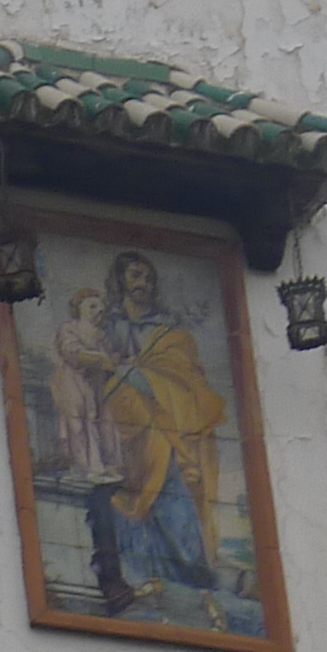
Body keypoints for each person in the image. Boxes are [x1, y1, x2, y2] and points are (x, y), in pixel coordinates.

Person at [90, 251, 226, 596]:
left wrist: (137, 374)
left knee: (169, 478)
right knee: (126, 493)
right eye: (135, 276)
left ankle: (194, 570)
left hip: (161, 424)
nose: (143, 284)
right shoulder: (105, 327)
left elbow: (187, 379)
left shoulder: (169, 334)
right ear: (120, 281)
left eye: (149, 278)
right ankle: (142, 574)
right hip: (121, 424)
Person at [47, 288, 118, 478]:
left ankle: (100, 464)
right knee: (77, 424)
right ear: (79, 307)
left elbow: (110, 358)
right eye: (92, 306)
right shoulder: (69, 328)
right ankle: (82, 467)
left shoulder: (101, 335)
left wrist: (114, 361)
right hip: (72, 382)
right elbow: (71, 352)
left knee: (99, 422)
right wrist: (100, 359)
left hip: (95, 383)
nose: (97, 312)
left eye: (100, 309)